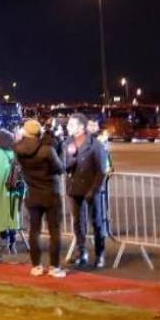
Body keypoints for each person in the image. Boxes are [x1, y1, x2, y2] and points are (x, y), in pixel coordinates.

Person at [15, 118, 66, 278]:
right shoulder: (47, 150)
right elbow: (60, 168)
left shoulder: (18, 149)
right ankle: (54, 267)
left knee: (34, 231)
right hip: (50, 192)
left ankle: (36, 266)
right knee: (54, 231)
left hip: (32, 192)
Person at [64, 113, 107, 268]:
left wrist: (93, 190)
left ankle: (100, 254)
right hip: (74, 189)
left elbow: (102, 171)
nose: (68, 127)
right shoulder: (68, 142)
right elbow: (65, 165)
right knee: (78, 223)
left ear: (81, 127)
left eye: (71, 124)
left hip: (91, 190)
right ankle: (81, 253)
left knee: (96, 223)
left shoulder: (95, 145)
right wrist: (71, 160)